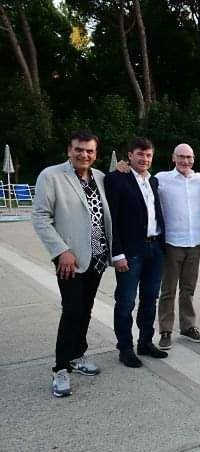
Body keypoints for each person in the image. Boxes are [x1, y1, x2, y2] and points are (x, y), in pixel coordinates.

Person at [32, 131, 112, 397]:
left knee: (86, 309)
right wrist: (61, 251)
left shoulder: (100, 177)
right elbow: (40, 217)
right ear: (69, 150)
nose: (84, 155)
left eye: (89, 151)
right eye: (79, 149)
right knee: (72, 311)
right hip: (70, 260)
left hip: (97, 257)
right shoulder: (51, 176)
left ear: (95, 153)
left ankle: (77, 355)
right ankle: (60, 368)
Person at [104, 137, 167, 368]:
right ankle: (125, 348)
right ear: (129, 155)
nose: (145, 159)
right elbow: (112, 218)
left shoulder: (153, 181)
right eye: (140, 154)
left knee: (150, 299)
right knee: (126, 301)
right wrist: (117, 253)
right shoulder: (116, 179)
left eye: (148, 155)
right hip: (131, 251)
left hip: (155, 248)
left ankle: (145, 342)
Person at [154, 144, 200, 349]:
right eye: (181, 157)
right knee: (168, 290)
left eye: (189, 157)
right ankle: (165, 330)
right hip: (172, 243)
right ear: (173, 158)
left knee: (188, 289)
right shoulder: (161, 179)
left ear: (193, 159)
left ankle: (188, 326)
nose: (186, 161)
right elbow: (139, 183)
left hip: (194, 243)